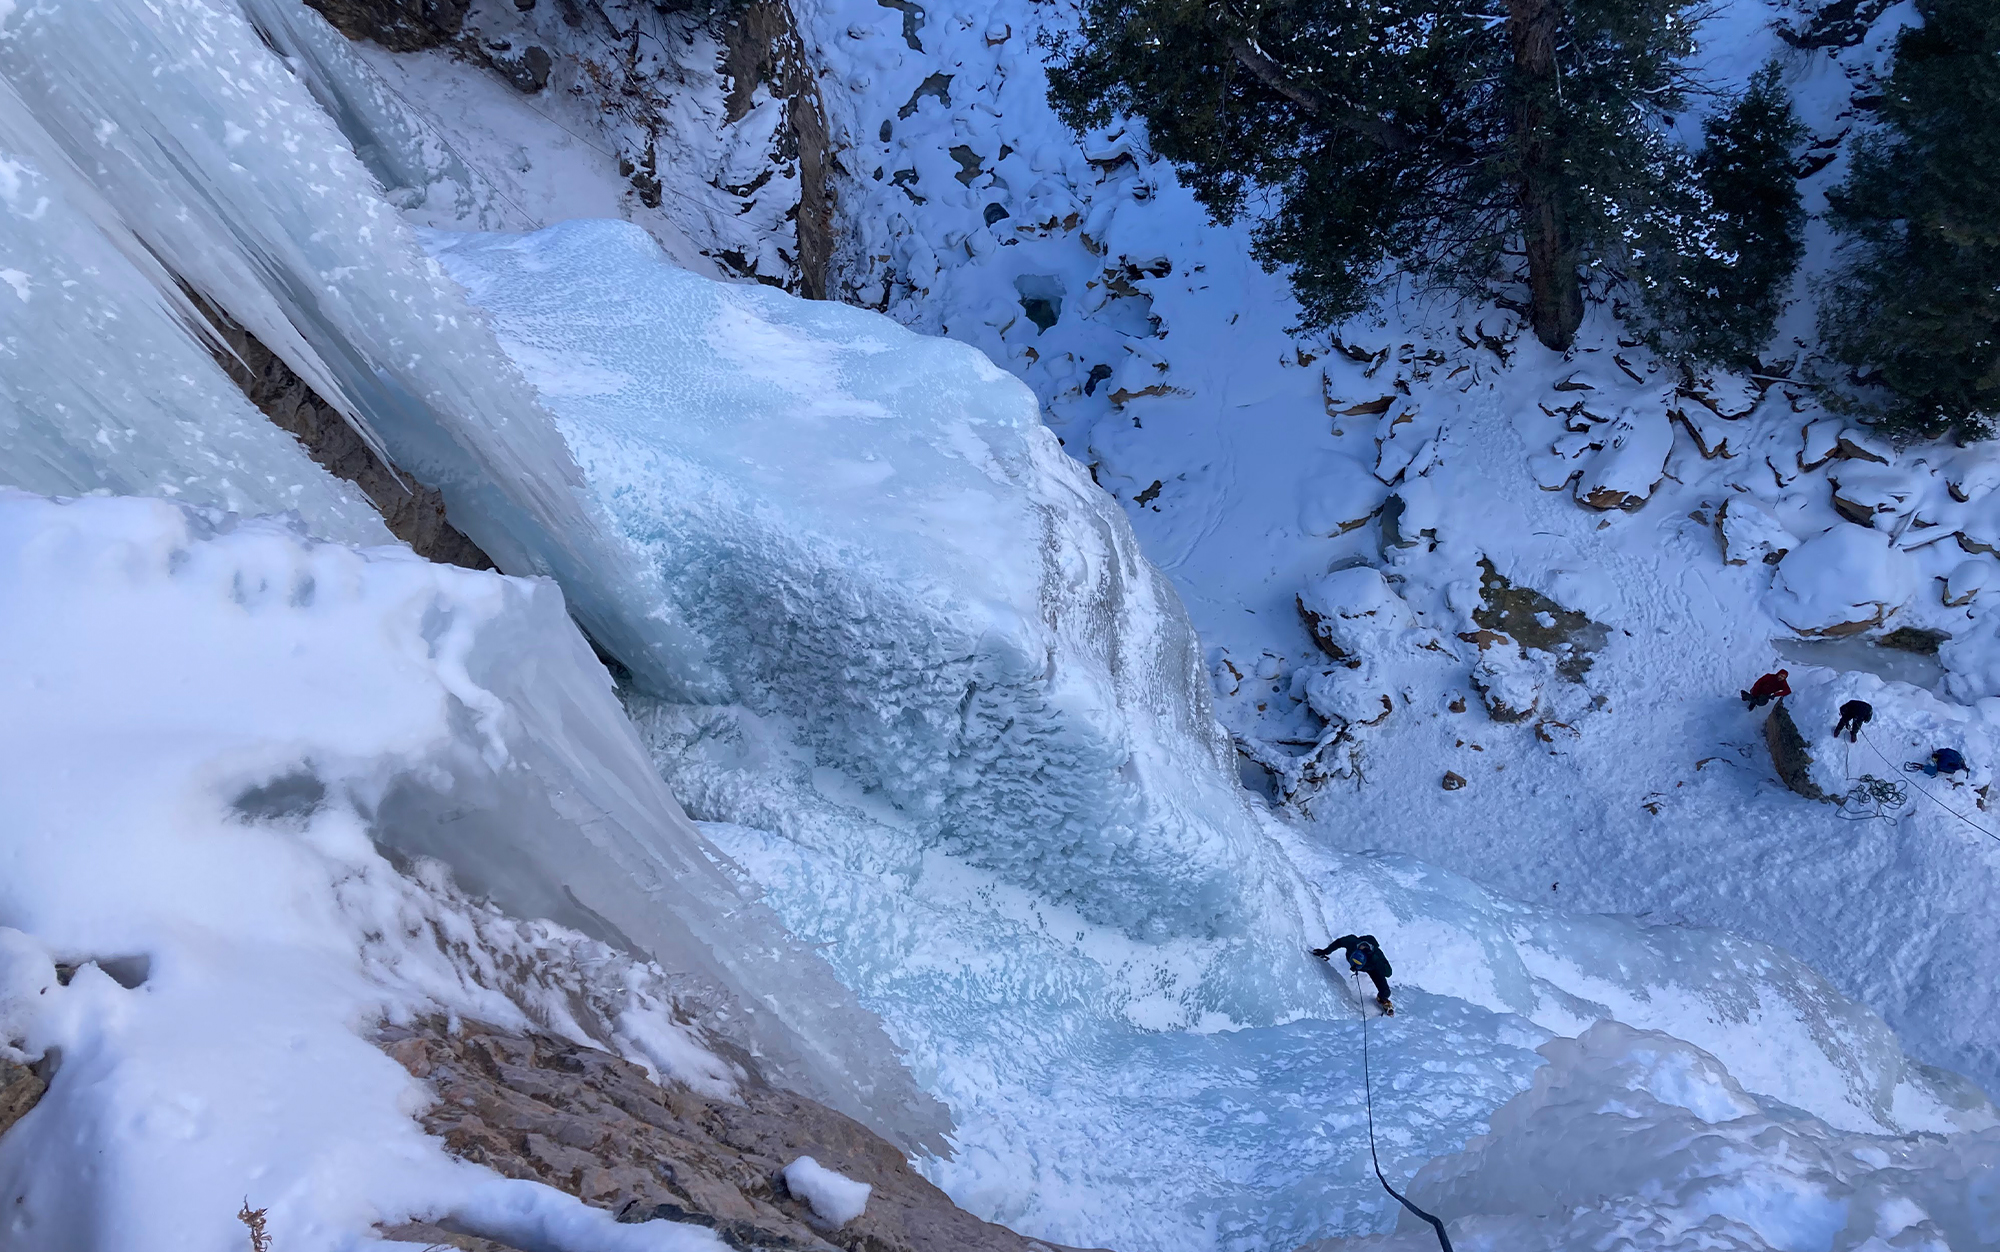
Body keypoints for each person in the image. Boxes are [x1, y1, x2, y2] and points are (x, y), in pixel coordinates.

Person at [1314, 934, 1394, 1016]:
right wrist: (1325, 951)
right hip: (1367, 964)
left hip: (1372, 969)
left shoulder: (1376, 958)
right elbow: (1339, 942)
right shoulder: (1351, 942)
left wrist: (1381, 966)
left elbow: (1388, 973)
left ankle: (1382, 999)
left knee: (1386, 992)